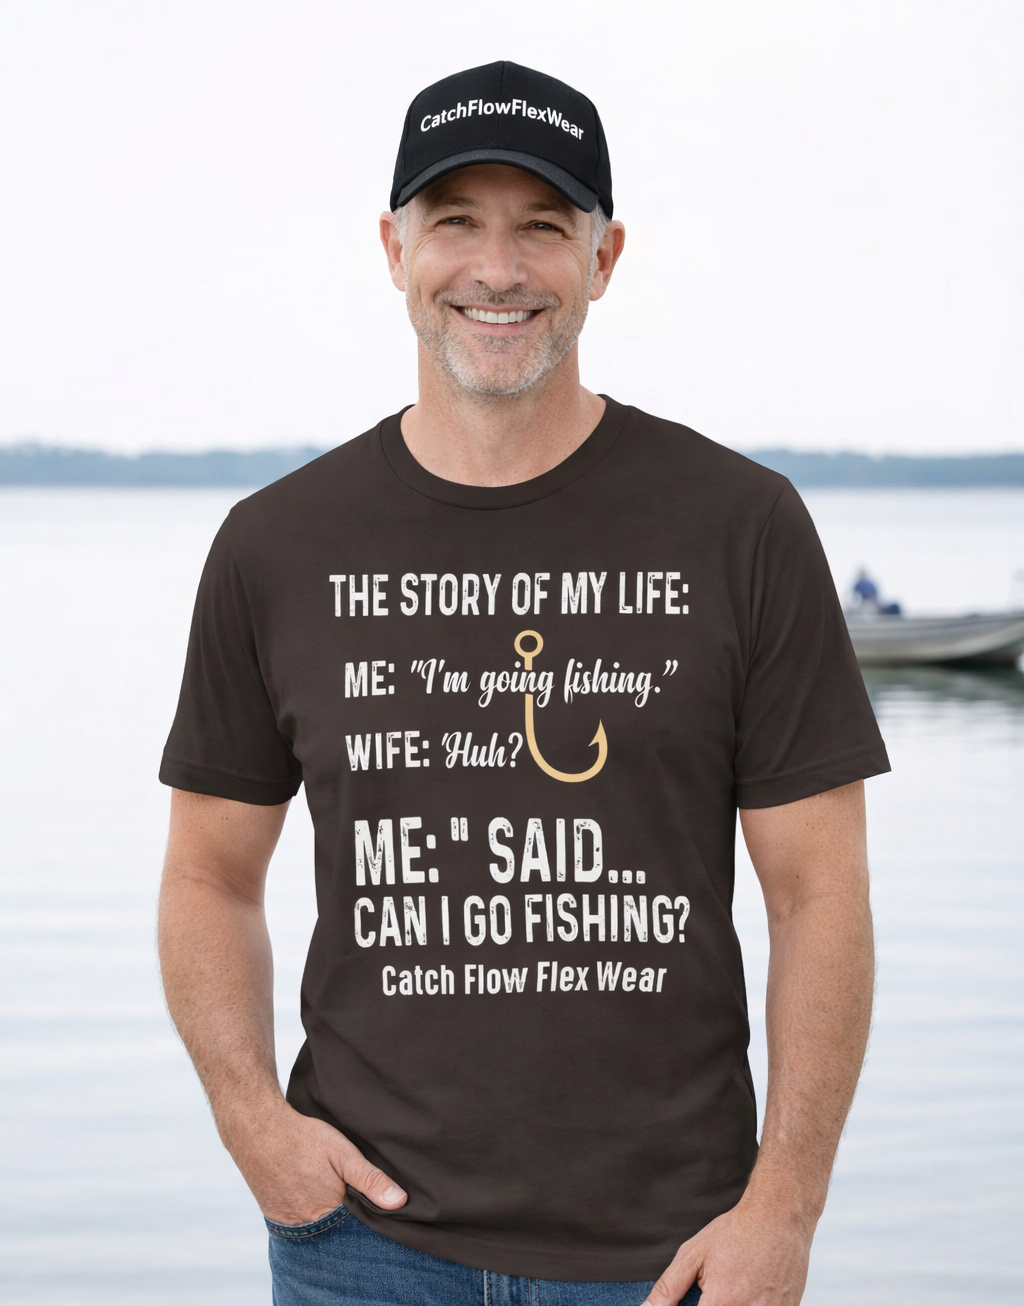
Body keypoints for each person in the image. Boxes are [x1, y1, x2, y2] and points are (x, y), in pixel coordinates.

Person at [158, 61, 890, 1306]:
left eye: (542, 228)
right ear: (393, 249)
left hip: (670, 1255)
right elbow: (207, 874)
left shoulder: (740, 525)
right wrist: (252, 1123)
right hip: (362, 1249)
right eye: (456, 223)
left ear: (603, 260)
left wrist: (785, 1209)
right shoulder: (275, 546)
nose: (496, 270)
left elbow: (818, 892)